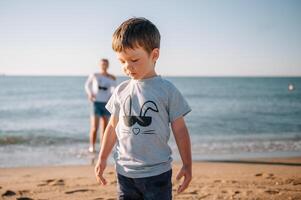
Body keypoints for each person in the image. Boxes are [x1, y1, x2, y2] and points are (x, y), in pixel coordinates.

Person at [95, 17, 192, 199]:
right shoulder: (121, 90)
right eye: (122, 61)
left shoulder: (167, 90)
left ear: (154, 55)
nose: (127, 67)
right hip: (124, 173)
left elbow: (180, 130)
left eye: (134, 60)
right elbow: (112, 127)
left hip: (157, 174)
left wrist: (187, 164)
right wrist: (101, 158)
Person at [85, 59, 116, 153]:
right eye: (102, 64)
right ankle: (92, 146)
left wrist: (111, 99)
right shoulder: (95, 75)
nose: (104, 66)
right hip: (96, 103)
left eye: (106, 64)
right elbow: (87, 85)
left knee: (105, 128)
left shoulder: (112, 78)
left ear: (108, 65)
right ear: (100, 65)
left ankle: (103, 147)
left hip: (106, 104)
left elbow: (114, 90)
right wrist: (90, 94)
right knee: (94, 127)